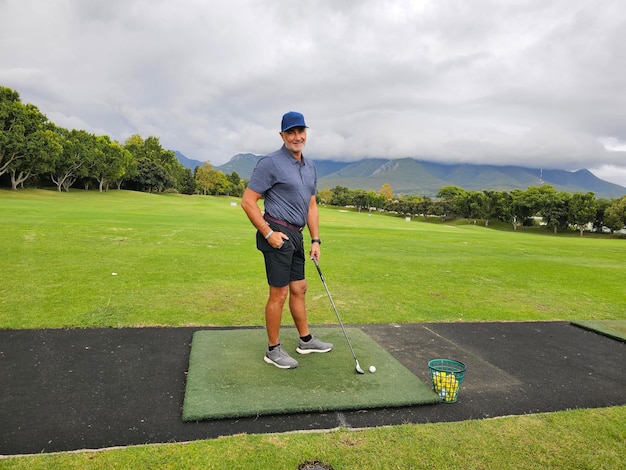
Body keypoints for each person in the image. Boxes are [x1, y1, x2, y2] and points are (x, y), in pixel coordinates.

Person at [241, 111, 333, 369]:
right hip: (277, 233)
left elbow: (311, 205)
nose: (296, 137)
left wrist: (315, 240)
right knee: (278, 294)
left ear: (306, 133)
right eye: (290, 132)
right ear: (282, 135)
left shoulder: (310, 166)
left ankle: (305, 341)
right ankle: (273, 350)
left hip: (298, 235)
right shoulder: (270, 163)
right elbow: (248, 202)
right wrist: (268, 234)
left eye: (300, 131)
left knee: (299, 288)